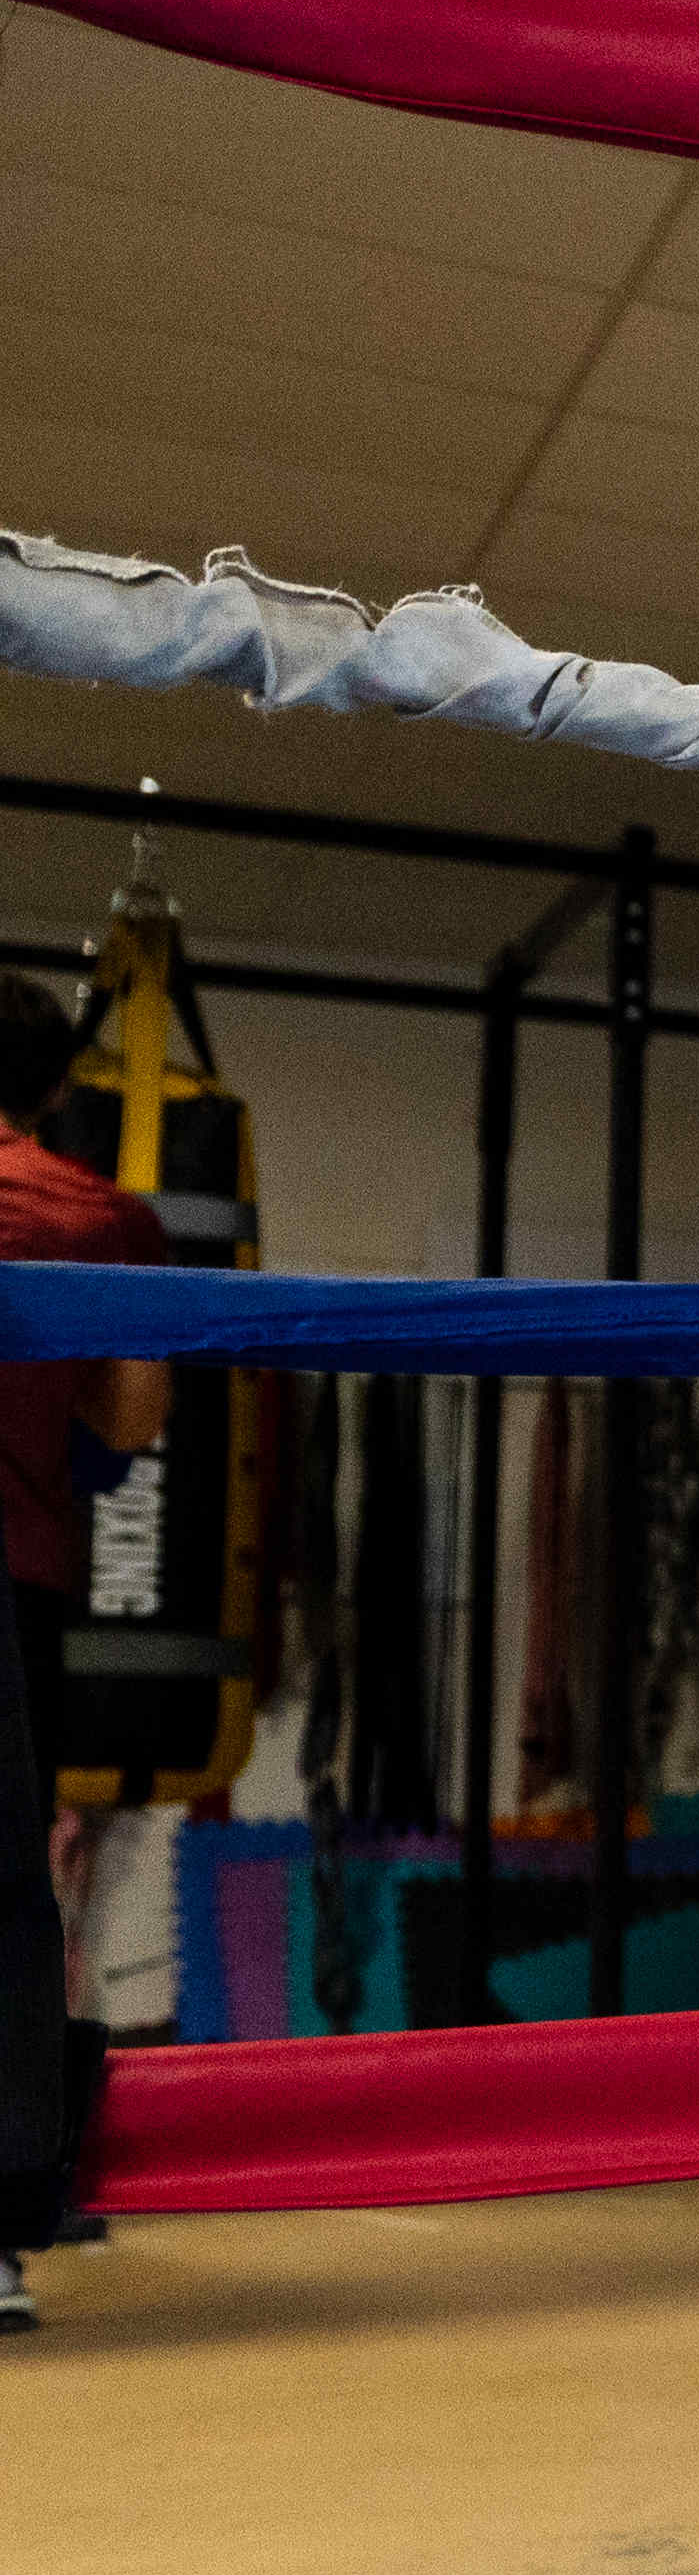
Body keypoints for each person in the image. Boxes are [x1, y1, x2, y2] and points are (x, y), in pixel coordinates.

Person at [0, 974, 170, 2331]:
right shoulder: (101, 1217)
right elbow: (129, 1423)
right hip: (13, 1582)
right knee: (6, 1886)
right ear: (58, 1086)